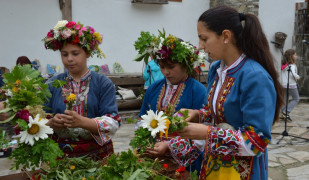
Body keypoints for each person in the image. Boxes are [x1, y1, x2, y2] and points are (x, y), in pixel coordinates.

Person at [166, 6, 283, 180]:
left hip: (244, 171)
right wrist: (197, 115)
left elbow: (256, 142)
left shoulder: (254, 76)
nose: (200, 46)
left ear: (226, 36)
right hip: (215, 165)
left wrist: (206, 133)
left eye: (204, 38)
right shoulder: (217, 69)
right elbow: (218, 114)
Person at [43, 20, 121, 159]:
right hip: (61, 158)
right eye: (64, 54)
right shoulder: (52, 84)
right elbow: (41, 117)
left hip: (98, 156)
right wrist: (51, 122)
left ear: (87, 53)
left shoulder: (103, 83)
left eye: (75, 53)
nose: (69, 59)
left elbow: (113, 122)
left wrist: (83, 122)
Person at [136, 31, 207, 173]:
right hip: (154, 156)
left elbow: (202, 133)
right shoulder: (153, 89)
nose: (166, 72)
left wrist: (170, 146)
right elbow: (142, 119)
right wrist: (146, 143)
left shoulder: (198, 91)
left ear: (186, 65)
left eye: (171, 67)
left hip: (187, 162)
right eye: (162, 67)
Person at [280, 49, 300, 121]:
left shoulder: (284, 65)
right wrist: (298, 77)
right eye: (295, 55)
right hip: (291, 85)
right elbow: (293, 74)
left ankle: (282, 113)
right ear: (291, 56)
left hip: (284, 85)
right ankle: (286, 111)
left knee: (285, 99)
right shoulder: (292, 65)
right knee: (296, 98)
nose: (296, 56)